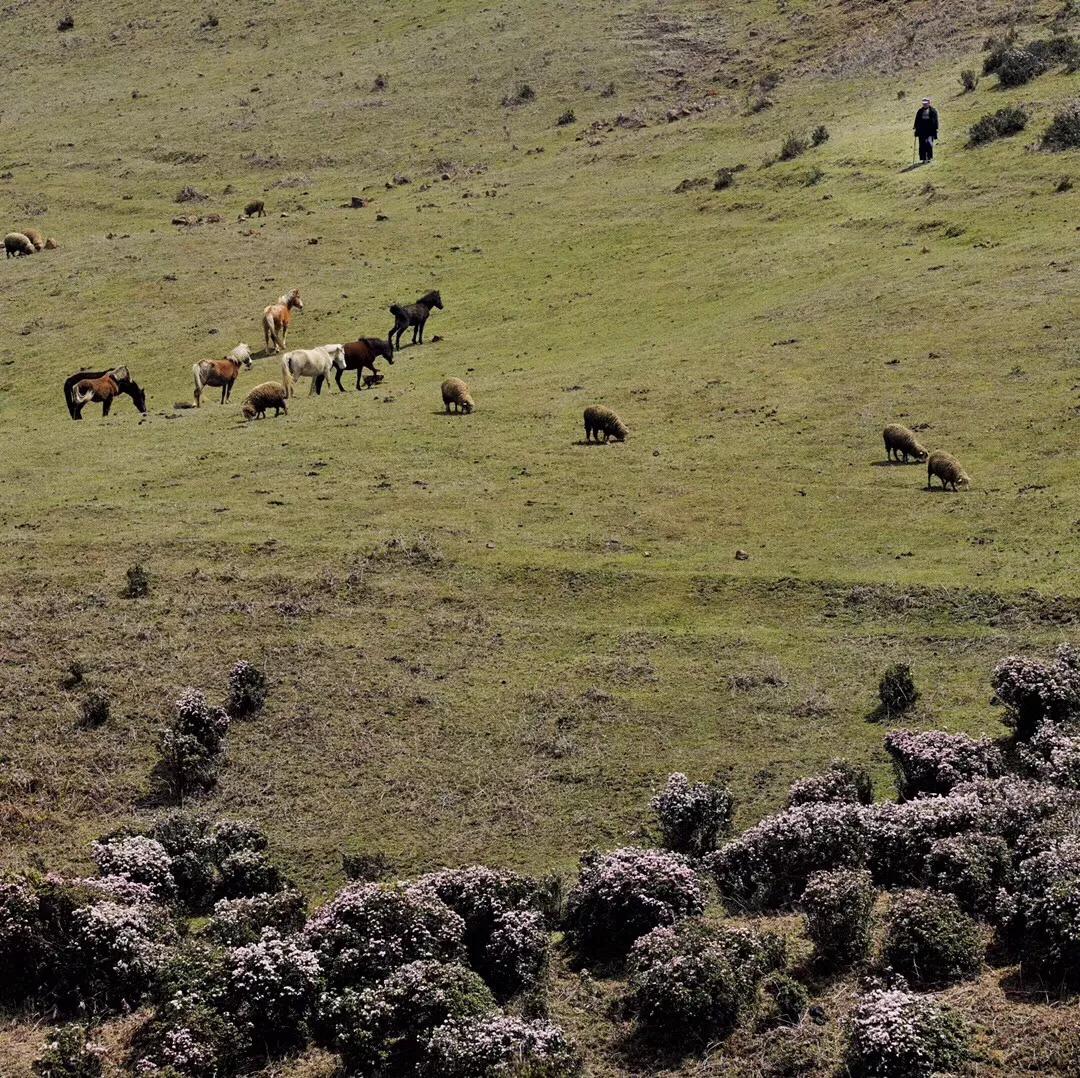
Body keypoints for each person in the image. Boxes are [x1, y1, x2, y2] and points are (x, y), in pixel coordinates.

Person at [914, 98, 939, 163]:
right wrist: (916, 129)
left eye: (926, 103)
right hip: (922, 131)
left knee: (929, 144)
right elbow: (917, 121)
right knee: (922, 145)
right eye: (923, 103)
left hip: (930, 131)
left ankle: (929, 158)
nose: (924, 104)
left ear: (929, 103)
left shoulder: (933, 111)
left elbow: (935, 122)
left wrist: (935, 130)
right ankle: (923, 158)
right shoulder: (920, 111)